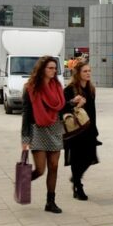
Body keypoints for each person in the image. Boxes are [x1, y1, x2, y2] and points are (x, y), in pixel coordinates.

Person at [21, 55, 74, 214]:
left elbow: (61, 106)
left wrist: (72, 103)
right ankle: (23, 181)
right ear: (42, 69)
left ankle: (50, 202)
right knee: (40, 169)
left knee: (54, 167)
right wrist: (25, 138)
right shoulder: (30, 88)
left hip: (55, 129)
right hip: (37, 130)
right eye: (50, 68)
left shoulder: (57, 86)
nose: (53, 71)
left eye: (54, 68)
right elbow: (26, 113)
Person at [63, 60, 100, 201]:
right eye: (85, 71)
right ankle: (78, 187)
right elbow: (63, 108)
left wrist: (95, 128)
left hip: (89, 128)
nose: (88, 73)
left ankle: (75, 178)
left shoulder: (91, 88)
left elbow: (93, 111)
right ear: (78, 73)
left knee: (90, 157)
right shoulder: (70, 89)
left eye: (89, 70)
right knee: (76, 159)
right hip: (76, 130)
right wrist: (75, 103)